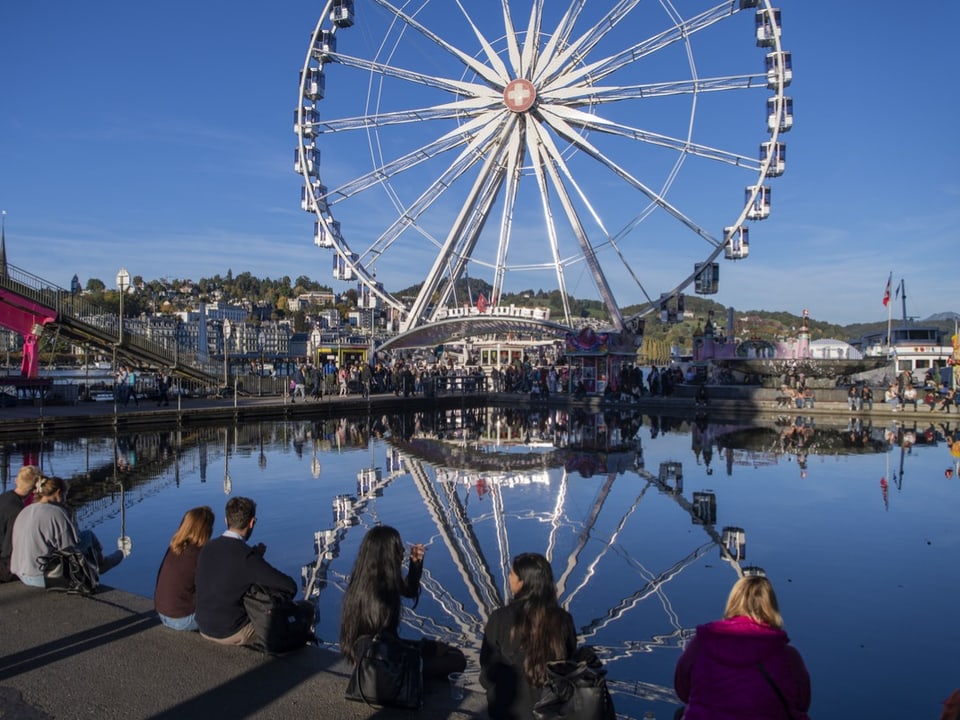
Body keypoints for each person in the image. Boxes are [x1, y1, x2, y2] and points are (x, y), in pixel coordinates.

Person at [674, 575, 811, 720]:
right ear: (772, 606)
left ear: (732, 601)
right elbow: (801, 703)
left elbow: (683, 690)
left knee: (681, 713)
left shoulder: (701, 644)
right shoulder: (788, 656)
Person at [339, 525, 465, 682]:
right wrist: (426, 648)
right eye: (398, 548)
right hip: (384, 661)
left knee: (444, 652)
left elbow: (409, 591)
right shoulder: (381, 598)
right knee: (456, 659)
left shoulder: (363, 582)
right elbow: (389, 646)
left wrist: (415, 567)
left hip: (372, 651)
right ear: (388, 554)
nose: (402, 552)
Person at [480, 553, 578, 720]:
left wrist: (493, 688)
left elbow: (487, 668)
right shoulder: (564, 620)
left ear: (522, 582)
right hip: (551, 708)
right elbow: (570, 661)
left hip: (507, 707)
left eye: (511, 574)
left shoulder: (500, 618)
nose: (509, 578)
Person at [194, 496, 298, 645]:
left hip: (203, 626)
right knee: (296, 615)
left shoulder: (208, 548)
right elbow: (289, 586)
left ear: (226, 521)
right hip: (229, 632)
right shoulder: (247, 557)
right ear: (251, 522)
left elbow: (227, 567)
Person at [10, 475, 124, 587]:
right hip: (40, 576)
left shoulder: (26, 510)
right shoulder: (56, 512)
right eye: (65, 494)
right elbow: (70, 550)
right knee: (88, 535)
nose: (66, 498)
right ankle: (102, 564)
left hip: (21, 573)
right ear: (58, 493)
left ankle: (103, 563)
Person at [154, 506, 215, 631]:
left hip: (161, 612)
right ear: (205, 530)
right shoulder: (200, 554)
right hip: (182, 619)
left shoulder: (174, 548)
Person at [0, 465, 41, 582]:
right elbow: (9, 548)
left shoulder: (4, 497)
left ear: (16, 480)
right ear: (35, 489)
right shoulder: (18, 511)